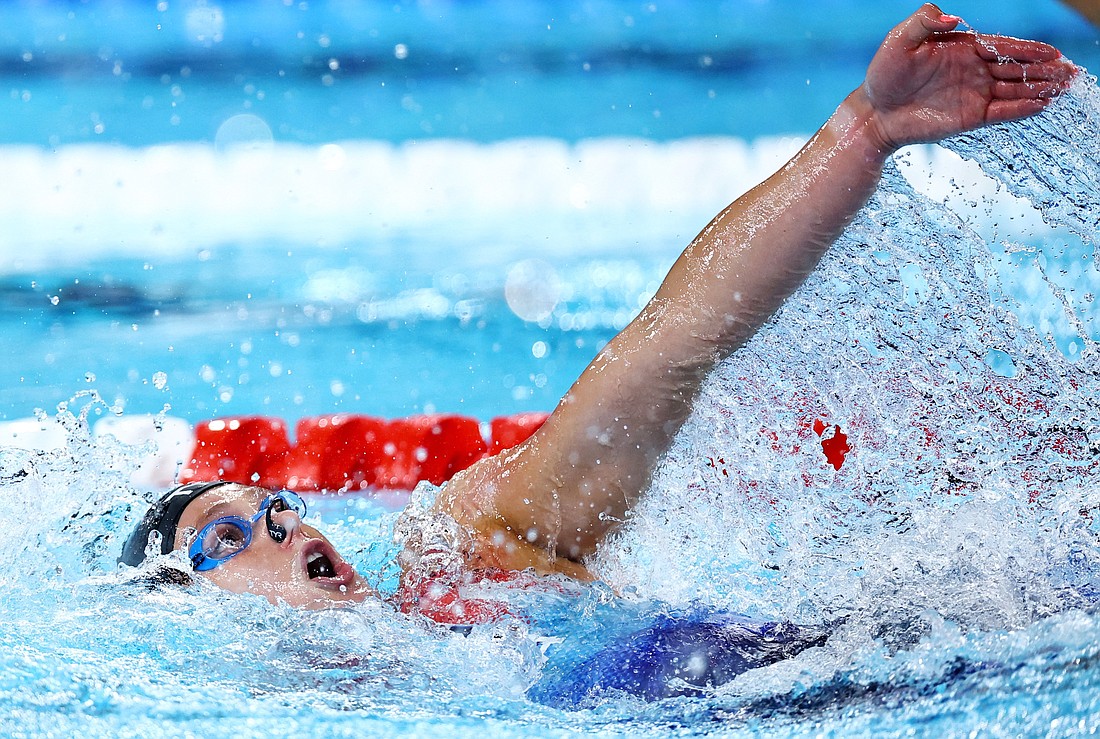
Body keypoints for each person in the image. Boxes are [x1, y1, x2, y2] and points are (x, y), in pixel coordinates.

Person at [119, 4, 1077, 702]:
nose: (282, 524)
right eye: (230, 539)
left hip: (955, 655)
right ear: (183, 618)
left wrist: (864, 134)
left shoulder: (464, 555)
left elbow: (671, 348)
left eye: (272, 505)